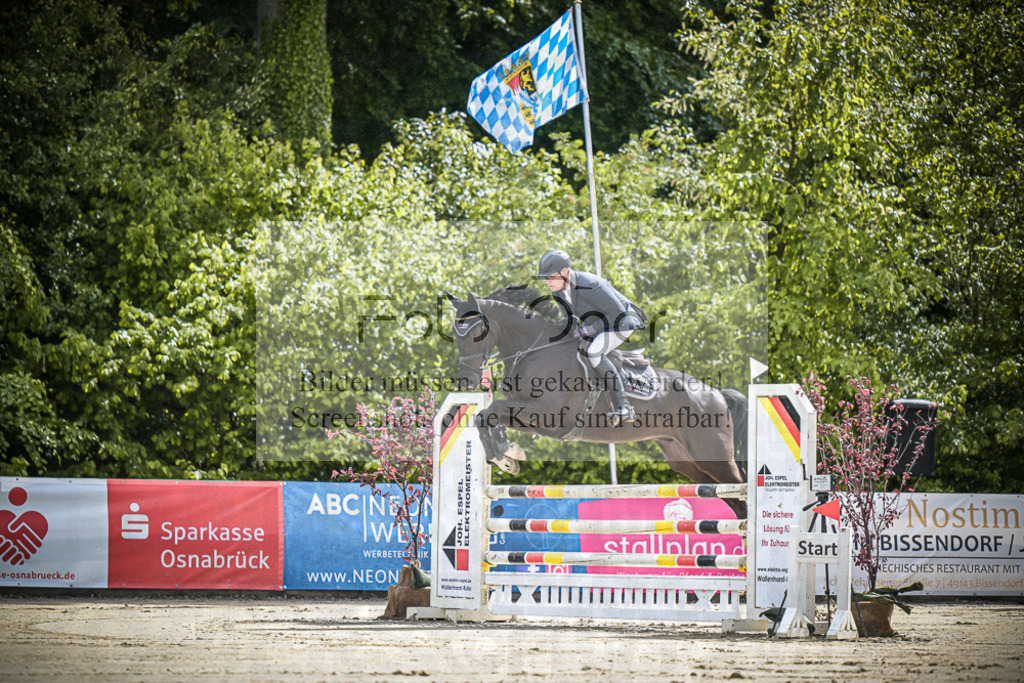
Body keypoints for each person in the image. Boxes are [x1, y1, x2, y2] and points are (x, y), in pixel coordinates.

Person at [537, 249, 646, 424]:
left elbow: (616, 313)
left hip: (622, 322)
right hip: (601, 324)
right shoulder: (558, 291)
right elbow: (570, 318)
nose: (548, 282)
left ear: (565, 272)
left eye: (551, 277)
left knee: (595, 352)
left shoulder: (590, 284)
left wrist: (590, 330)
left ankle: (625, 406)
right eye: (546, 278)